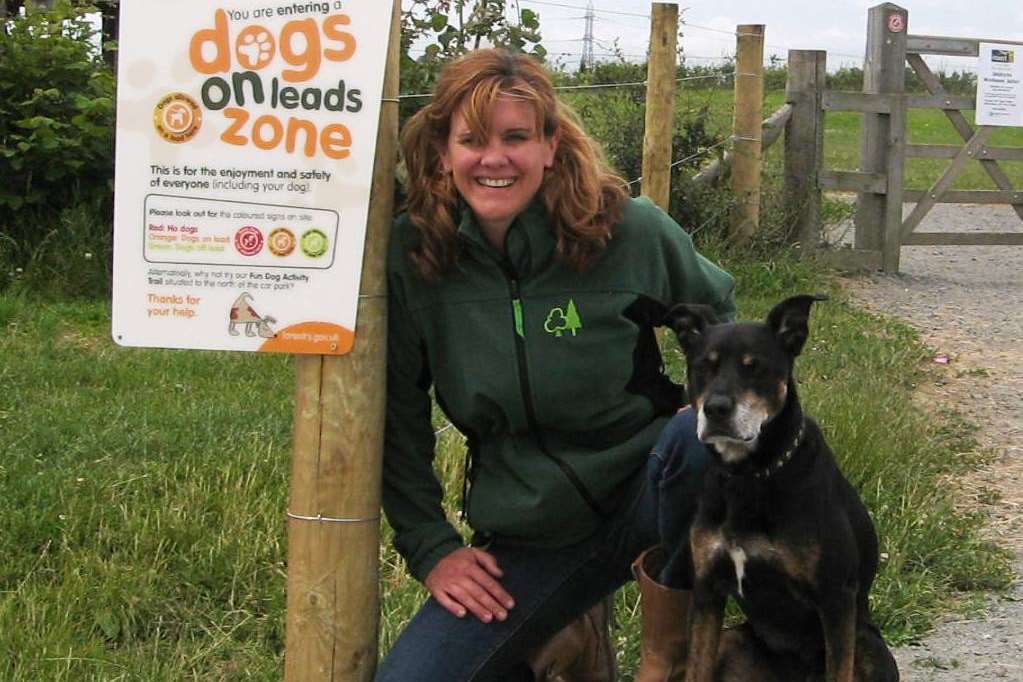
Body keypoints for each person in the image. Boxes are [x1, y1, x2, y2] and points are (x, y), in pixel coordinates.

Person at [377, 48, 736, 682]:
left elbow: (725, 327)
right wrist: (433, 549)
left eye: (516, 137)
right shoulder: (416, 256)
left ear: (550, 144)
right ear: (442, 151)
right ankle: (571, 629)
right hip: (532, 530)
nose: (494, 159)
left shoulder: (630, 231)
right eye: (472, 140)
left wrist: (706, 393)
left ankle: (669, 656)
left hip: (651, 487)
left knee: (703, 436)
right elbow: (397, 418)